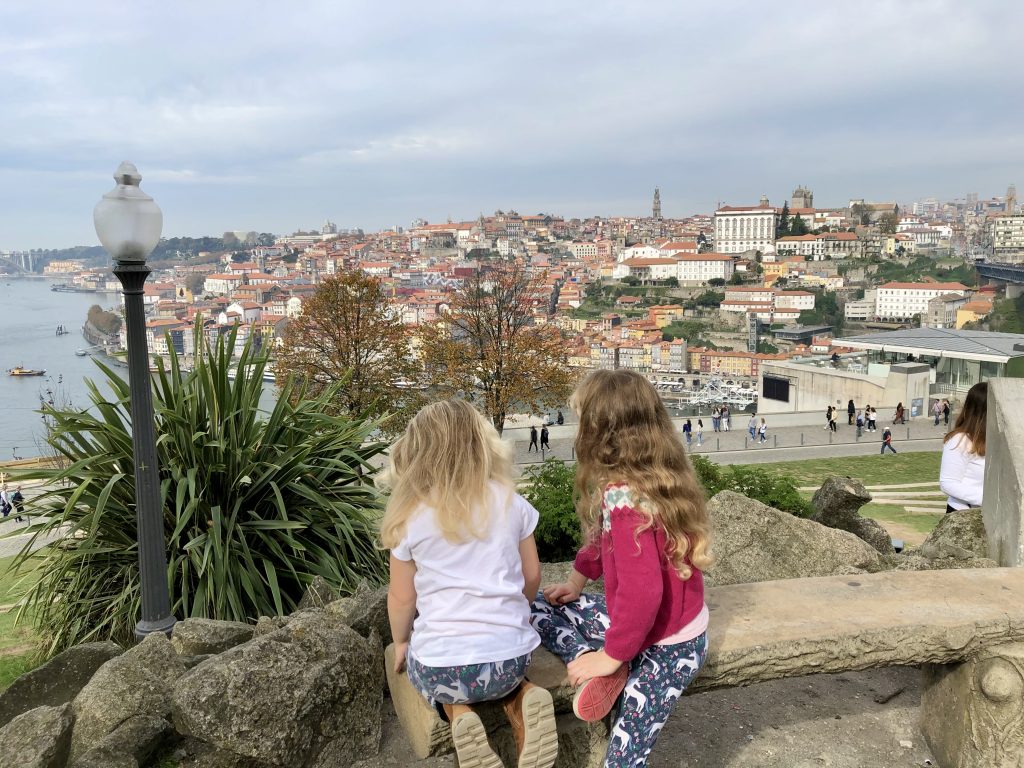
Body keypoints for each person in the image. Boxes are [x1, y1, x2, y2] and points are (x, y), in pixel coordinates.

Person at [530, 370, 711, 767]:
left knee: (624, 757)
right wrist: (576, 581)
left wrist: (611, 655)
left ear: (600, 435)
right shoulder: (657, 477)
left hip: (670, 647)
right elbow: (602, 538)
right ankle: (596, 661)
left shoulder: (629, 502)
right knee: (535, 606)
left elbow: (643, 594)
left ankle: (608, 666)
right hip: (645, 627)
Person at [381, 400, 558, 767]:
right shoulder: (510, 501)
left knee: (429, 674)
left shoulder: (409, 515)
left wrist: (401, 642)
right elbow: (532, 575)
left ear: (415, 453)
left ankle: (459, 714)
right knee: (501, 673)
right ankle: (524, 694)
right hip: (511, 660)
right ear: (482, 443)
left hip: (442, 666)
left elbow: (401, 598)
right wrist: (517, 612)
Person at [940, 382, 987, 514]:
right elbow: (948, 483)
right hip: (964, 513)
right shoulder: (959, 440)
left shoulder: (997, 439)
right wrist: (986, 500)